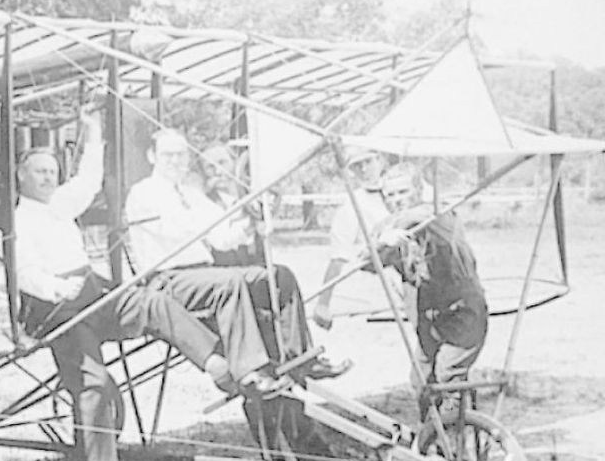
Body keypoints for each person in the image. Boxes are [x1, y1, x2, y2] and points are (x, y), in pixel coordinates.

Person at [13, 107, 271, 461]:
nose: (48, 177)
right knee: (94, 383)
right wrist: (57, 289)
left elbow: (89, 177)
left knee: (152, 301)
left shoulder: (63, 202)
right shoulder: (20, 220)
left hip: (90, 289)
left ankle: (215, 364)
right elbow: (24, 274)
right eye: (39, 172)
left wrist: (93, 130)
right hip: (54, 308)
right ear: (21, 177)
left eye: (51, 171)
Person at [124, 130, 344, 387]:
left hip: (202, 275)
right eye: (167, 155)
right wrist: (217, 221)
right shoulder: (142, 194)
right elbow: (175, 230)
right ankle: (250, 371)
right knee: (229, 282)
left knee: (278, 276)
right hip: (167, 281)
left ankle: (300, 357)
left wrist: (250, 221)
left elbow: (223, 237)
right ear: (152, 157)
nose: (175, 161)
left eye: (181, 154)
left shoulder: (191, 195)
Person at [196, 144, 350, 376]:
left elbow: (267, 220)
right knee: (280, 277)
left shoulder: (251, 195)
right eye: (210, 166)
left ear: (233, 164)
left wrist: (263, 214)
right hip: (227, 275)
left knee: (282, 281)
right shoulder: (205, 202)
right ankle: (290, 361)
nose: (218, 170)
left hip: (253, 267)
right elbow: (223, 240)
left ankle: (299, 355)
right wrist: (250, 221)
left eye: (222, 163)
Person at [369, 162, 488, 420]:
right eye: (390, 195)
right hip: (429, 320)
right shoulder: (397, 233)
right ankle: (434, 442)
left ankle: (452, 443)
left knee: (447, 375)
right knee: (421, 380)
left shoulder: (437, 215)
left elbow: (415, 218)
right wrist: (379, 243)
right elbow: (367, 260)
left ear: (418, 189)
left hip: (462, 313)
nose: (397, 200)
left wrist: (384, 232)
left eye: (402, 192)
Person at [310, 147, 395, 332]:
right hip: (383, 272)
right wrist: (323, 303)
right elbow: (339, 254)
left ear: (380, 160)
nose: (364, 170)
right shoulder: (354, 203)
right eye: (357, 166)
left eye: (368, 162)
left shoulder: (400, 185)